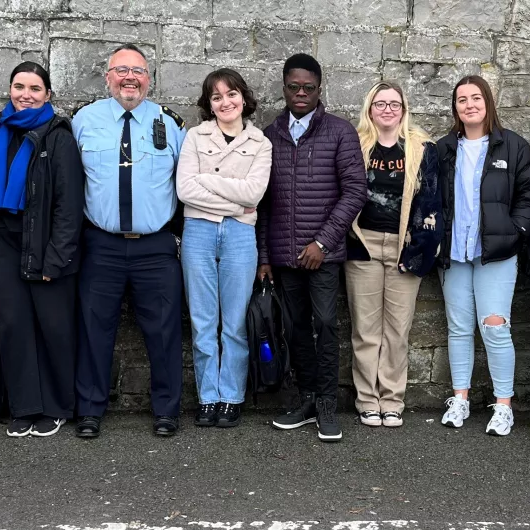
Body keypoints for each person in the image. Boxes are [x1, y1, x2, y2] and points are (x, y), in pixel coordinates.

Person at [72, 44, 187, 438]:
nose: (129, 78)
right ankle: (89, 409)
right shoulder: (83, 121)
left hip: (154, 246)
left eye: (137, 71)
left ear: (149, 79)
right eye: (120, 70)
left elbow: (187, 185)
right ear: (107, 77)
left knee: (165, 330)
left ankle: (167, 410)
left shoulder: (170, 124)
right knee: (93, 328)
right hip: (101, 244)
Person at [260, 53, 367, 443]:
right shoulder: (270, 134)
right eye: (294, 87)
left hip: (322, 254)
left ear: (320, 89)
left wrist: (322, 241)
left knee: (325, 324)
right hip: (284, 255)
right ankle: (305, 400)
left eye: (308, 87)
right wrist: (264, 257)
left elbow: (355, 191)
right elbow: (264, 201)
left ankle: (326, 404)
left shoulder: (339, 132)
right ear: (284, 87)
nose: (301, 93)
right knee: (295, 329)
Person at [0, 62, 85, 438]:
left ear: (48, 95)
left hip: (44, 242)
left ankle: (56, 406)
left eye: (35, 88)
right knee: (14, 326)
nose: (26, 94)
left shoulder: (57, 136)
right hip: (2, 240)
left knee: (53, 327)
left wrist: (56, 257)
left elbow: (68, 205)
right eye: (19, 86)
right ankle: (24, 407)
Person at [435, 75, 530, 437]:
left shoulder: (512, 146)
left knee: (495, 329)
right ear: (455, 108)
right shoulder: (444, 149)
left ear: (488, 102)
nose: (469, 105)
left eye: (476, 98)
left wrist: (516, 232)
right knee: (459, 328)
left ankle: (503, 405)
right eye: (462, 99)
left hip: (496, 254)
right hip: (454, 253)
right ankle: (460, 398)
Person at [176, 68, 272, 428]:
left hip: (239, 236)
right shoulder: (194, 137)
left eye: (231, 94)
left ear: (243, 98)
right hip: (198, 232)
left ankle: (231, 396)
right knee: (203, 321)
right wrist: (233, 203)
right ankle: (207, 397)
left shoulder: (261, 143)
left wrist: (208, 182)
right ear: (209, 105)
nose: (225, 102)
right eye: (216, 97)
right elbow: (186, 190)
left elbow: (255, 193)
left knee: (233, 323)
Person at [345, 81, 443, 428]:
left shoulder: (421, 147)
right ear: (369, 109)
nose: (387, 109)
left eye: (394, 104)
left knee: (397, 331)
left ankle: (392, 400)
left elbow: (431, 201)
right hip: (364, 244)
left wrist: (420, 248)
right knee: (366, 330)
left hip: (404, 244)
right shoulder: (355, 144)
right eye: (380, 103)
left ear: (404, 109)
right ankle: (367, 400)